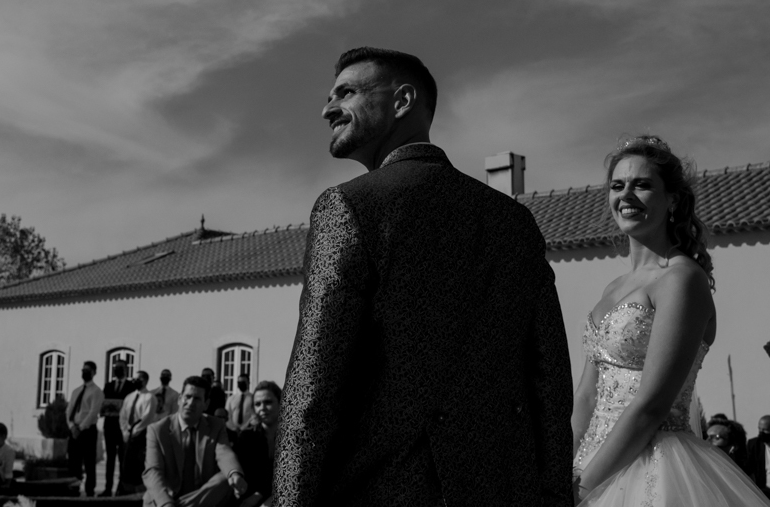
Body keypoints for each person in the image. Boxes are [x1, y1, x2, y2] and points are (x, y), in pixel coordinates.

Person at [273, 47, 573, 506]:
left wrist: (289, 500)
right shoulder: (513, 221)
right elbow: (550, 382)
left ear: (402, 101)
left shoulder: (350, 207)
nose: (327, 109)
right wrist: (553, 496)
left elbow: (313, 386)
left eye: (346, 93)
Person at [571, 136, 770, 505]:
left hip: (651, 465)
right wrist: (560, 468)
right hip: (587, 464)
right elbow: (585, 394)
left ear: (673, 199)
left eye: (642, 184)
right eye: (617, 185)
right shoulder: (613, 287)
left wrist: (580, 490)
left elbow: (651, 405)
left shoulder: (681, 279)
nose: (626, 194)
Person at [143, 375, 248, 507]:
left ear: (206, 404)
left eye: (197, 399)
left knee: (226, 477)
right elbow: (153, 471)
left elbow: (224, 453)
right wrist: (166, 504)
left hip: (200, 495)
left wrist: (234, 473)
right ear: (179, 399)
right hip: (166, 496)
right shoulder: (157, 430)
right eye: (187, 397)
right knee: (156, 489)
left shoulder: (216, 425)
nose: (191, 403)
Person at [233, 381, 282, 507]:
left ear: (281, 402)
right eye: (257, 404)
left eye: (268, 402)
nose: (262, 408)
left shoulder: (292, 437)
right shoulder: (247, 437)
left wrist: (262, 495)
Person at [66, 360, 104, 498]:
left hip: (87, 430)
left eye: (88, 370)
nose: (85, 373)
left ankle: (89, 490)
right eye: (83, 370)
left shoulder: (96, 391)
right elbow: (69, 410)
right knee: (73, 461)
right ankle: (74, 487)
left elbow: (93, 412)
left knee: (89, 461)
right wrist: (72, 427)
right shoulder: (76, 391)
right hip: (74, 429)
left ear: (94, 372)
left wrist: (81, 428)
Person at [102, 361, 135, 496]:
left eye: (120, 368)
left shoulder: (131, 386)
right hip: (109, 426)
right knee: (110, 459)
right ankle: (108, 488)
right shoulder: (108, 386)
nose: (117, 370)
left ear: (126, 370)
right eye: (115, 368)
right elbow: (103, 403)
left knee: (123, 459)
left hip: (123, 428)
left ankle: (122, 488)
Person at [120, 370, 156, 494]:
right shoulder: (129, 397)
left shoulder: (150, 397)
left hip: (141, 436)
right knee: (126, 465)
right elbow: (123, 415)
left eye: (138, 379)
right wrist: (125, 430)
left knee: (138, 465)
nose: (134, 381)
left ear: (145, 381)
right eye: (134, 378)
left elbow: (147, 417)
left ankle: (139, 492)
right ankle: (126, 490)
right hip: (127, 436)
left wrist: (135, 431)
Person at [225, 374, 255, 440]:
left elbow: (254, 415)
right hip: (232, 432)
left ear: (248, 383)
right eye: (239, 382)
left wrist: (243, 428)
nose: (241, 384)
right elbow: (227, 415)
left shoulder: (253, 398)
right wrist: (234, 429)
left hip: (248, 432)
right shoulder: (231, 399)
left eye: (243, 382)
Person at [747, 415, 770, 497]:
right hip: (763, 492)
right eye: (760, 429)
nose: (761, 432)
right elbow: (748, 468)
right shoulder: (754, 445)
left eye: (765, 430)